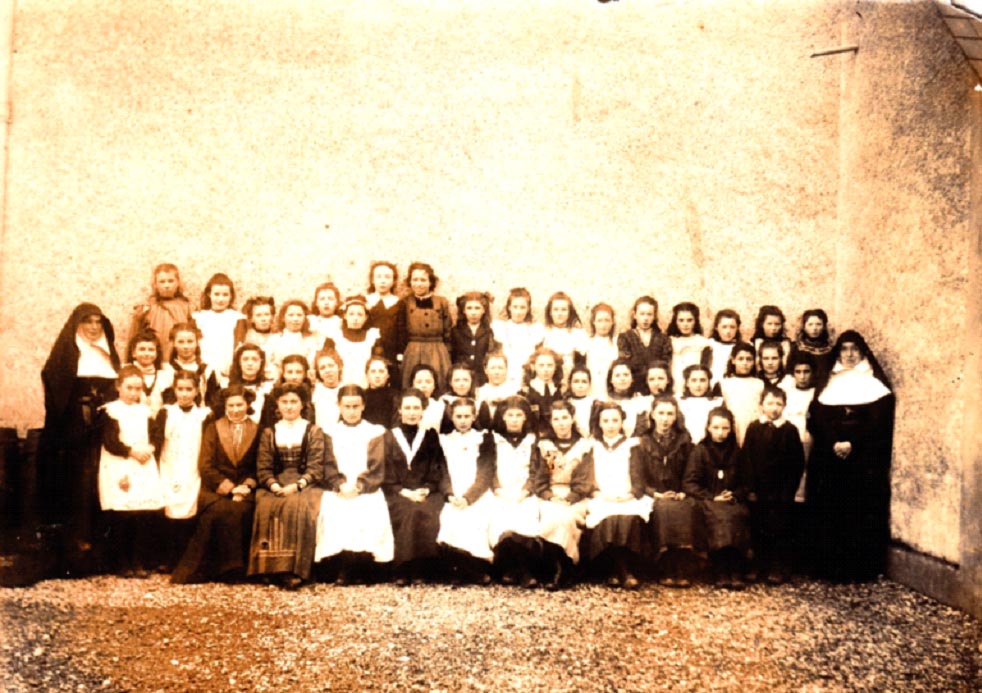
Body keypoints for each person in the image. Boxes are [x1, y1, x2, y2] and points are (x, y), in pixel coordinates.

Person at [806, 330, 894, 582]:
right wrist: (834, 442)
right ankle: (829, 569)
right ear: (838, 353)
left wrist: (852, 443)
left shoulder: (876, 386)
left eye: (854, 349)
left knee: (858, 511)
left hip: (861, 460)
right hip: (830, 457)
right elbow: (816, 420)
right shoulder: (828, 382)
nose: (849, 354)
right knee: (830, 510)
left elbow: (879, 424)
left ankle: (859, 569)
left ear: (863, 352)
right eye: (844, 349)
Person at [37, 302, 120, 562]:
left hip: (103, 426)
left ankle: (104, 547)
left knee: (103, 479)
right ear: (77, 324)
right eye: (87, 322)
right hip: (74, 430)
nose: (94, 327)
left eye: (98, 322)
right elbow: (55, 391)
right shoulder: (65, 355)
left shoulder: (108, 354)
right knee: (78, 483)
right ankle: (76, 545)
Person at [171, 386, 259, 584]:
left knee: (240, 510)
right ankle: (215, 570)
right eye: (231, 406)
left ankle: (238, 570)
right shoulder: (213, 428)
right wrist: (229, 488)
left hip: (247, 489)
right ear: (225, 406)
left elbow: (259, 465)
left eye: (240, 405)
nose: (235, 410)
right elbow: (206, 465)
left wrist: (246, 486)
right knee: (219, 510)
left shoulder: (259, 430)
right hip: (216, 488)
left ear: (247, 405)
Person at [248, 383, 329, 589]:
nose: (289, 406)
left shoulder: (313, 431)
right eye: (284, 402)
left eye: (294, 401)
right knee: (266, 505)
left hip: (305, 483)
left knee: (298, 505)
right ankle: (269, 568)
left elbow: (316, 468)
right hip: (276, 482)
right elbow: (263, 467)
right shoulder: (269, 432)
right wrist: (274, 485)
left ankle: (296, 569)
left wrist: (297, 485)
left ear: (303, 405)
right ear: (277, 404)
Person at [314, 385, 394, 584]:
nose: (351, 411)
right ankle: (342, 565)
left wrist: (359, 486)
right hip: (339, 488)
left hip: (366, 488)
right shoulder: (329, 432)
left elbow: (377, 466)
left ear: (363, 406)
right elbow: (327, 464)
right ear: (339, 406)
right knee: (334, 508)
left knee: (368, 508)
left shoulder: (374, 432)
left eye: (355, 406)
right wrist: (339, 484)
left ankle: (364, 566)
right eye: (347, 406)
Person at [572, 401, 652, 589]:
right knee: (606, 517)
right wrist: (596, 492)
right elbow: (584, 477)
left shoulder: (632, 445)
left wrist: (631, 494)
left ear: (622, 422)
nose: (610, 425)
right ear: (599, 423)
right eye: (606, 420)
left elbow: (639, 476)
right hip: (602, 496)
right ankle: (615, 569)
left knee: (627, 516)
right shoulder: (592, 447)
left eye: (615, 420)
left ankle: (623, 569)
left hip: (627, 496)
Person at [98, 365, 164, 577]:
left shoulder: (145, 412)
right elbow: (110, 441)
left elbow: (157, 435)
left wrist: (150, 448)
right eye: (129, 388)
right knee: (122, 514)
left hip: (143, 462)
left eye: (138, 389)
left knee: (141, 514)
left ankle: (138, 561)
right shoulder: (110, 411)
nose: (134, 393)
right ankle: (121, 562)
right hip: (120, 462)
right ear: (118, 386)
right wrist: (131, 451)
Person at [381, 388, 449, 585]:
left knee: (427, 510)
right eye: (407, 408)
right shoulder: (388, 437)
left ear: (423, 410)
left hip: (425, 491)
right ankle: (403, 568)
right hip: (397, 491)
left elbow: (437, 466)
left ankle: (422, 568)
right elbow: (385, 471)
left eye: (416, 408)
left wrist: (426, 488)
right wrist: (404, 492)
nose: (412, 412)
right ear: (400, 410)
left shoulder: (430, 436)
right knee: (408, 510)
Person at [683, 407, 751, 589]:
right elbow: (689, 483)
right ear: (708, 428)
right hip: (709, 501)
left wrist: (734, 494)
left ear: (731, 429)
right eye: (716, 428)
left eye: (725, 428)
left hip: (732, 501)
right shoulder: (700, 451)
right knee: (719, 516)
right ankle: (720, 568)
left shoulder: (737, 451)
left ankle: (735, 569)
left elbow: (747, 482)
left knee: (736, 514)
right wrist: (712, 496)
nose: (720, 433)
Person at [742, 386, 804, 584]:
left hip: (780, 490)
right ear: (761, 405)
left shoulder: (789, 430)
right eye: (769, 403)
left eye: (778, 404)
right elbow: (747, 459)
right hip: (758, 489)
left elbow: (797, 463)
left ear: (784, 406)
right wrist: (750, 488)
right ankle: (758, 564)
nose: (774, 408)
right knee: (758, 526)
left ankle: (777, 567)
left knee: (779, 526)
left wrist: (788, 490)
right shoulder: (754, 428)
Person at [152, 370, 211, 571]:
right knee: (169, 507)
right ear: (174, 390)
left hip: (193, 466)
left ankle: (186, 559)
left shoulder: (204, 415)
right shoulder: (166, 413)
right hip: (169, 464)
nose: (184, 394)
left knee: (190, 507)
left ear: (196, 391)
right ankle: (168, 558)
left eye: (189, 389)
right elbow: (158, 441)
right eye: (180, 389)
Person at [637, 394, 699, 587]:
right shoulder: (643, 442)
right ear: (652, 415)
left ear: (676, 416)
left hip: (679, 493)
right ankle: (664, 567)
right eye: (661, 413)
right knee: (662, 509)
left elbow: (691, 470)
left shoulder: (684, 441)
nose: (665, 419)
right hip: (653, 494)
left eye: (670, 414)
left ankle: (681, 567)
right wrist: (654, 493)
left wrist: (684, 491)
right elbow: (637, 475)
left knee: (683, 508)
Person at [436, 397, 496, 584]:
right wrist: (449, 494)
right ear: (451, 417)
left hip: (476, 493)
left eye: (467, 416)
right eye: (458, 416)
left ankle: (475, 567)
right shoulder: (444, 440)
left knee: (476, 518)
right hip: (453, 492)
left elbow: (486, 473)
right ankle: (462, 568)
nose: (462, 421)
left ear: (474, 417)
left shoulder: (483, 438)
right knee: (449, 518)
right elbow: (442, 472)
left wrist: (469, 498)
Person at [534, 400, 590, 590]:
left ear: (572, 419)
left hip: (576, 495)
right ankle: (557, 566)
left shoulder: (583, 445)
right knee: (550, 515)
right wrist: (550, 496)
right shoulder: (546, 446)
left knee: (567, 516)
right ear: (551, 422)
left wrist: (571, 497)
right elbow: (540, 479)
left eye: (565, 418)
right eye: (556, 419)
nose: (561, 423)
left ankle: (566, 566)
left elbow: (585, 479)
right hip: (550, 494)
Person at [486, 395, 542, 588]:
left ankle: (516, 570)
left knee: (525, 518)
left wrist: (526, 491)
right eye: (510, 415)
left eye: (519, 415)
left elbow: (537, 471)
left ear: (526, 418)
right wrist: (498, 489)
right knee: (501, 520)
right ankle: (517, 570)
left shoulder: (533, 441)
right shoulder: (493, 440)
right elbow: (489, 469)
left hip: (524, 494)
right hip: (499, 493)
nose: (514, 420)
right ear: (502, 417)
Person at [400, 262, 452, 391]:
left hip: (437, 350)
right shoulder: (405, 302)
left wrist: (446, 352)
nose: (419, 284)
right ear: (410, 282)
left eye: (423, 280)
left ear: (431, 282)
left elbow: (448, 329)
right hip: (413, 351)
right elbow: (401, 329)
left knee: (439, 383)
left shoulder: (442, 302)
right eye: (415, 280)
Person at [129, 263, 192, 364]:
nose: (166, 285)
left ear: (178, 283)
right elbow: (134, 336)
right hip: (152, 358)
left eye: (171, 281)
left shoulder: (186, 306)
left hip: (179, 358)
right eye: (162, 282)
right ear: (155, 284)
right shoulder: (147, 306)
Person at [192, 273, 246, 386]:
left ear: (231, 296)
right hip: (203, 369)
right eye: (216, 294)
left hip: (227, 369)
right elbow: (194, 344)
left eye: (225, 295)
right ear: (209, 294)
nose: (220, 299)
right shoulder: (198, 317)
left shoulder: (237, 318)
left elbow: (238, 346)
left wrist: (232, 368)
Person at [617, 296, 672, 395]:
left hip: (657, 386)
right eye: (642, 314)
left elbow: (665, 364)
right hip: (634, 388)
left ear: (654, 316)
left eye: (649, 314)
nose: (646, 318)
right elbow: (625, 364)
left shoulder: (663, 338)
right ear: (635, 315)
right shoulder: (625, 338)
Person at [491, 287, 544, 390]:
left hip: (527, 372)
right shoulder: (500, 327)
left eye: (522, 307)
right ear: (509, 307)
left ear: (528, 309)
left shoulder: (535, 329)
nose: (518, 312)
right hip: (506, 371)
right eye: (515, 307)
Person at [540, 291, 587, 392]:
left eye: (564, 310)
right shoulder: (543, 332)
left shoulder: (578, 334)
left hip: (571, 378)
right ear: (550, 312)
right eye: (556, 310)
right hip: (549, 379)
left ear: (570, 312)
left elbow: (581, 363)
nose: (559, 313)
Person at [365, 261, 407, 372]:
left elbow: (401, 331)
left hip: (390, 352)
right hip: (367, 350)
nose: (382, 281)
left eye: (387, 277)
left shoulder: (399, 303)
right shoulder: (365, 301)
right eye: (378, 277)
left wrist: (400, 353)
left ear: (393, 281)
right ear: (372, 280)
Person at [719, 343, 764, 446]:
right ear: (733, 360)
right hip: (732, 427)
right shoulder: (724, 384)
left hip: (754, 428)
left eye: (749, 359)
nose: (745, 363)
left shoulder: (760, 384)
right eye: (741, 359)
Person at [333, 296, 381, 388]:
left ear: (366, 317)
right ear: (345, 315)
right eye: (351, 314)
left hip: (365, 382)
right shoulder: (336, 336)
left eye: (360, 314)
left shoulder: (372, 337)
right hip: (341, 382)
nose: (355, 318)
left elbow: (377, 361)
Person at [450, 292, 496, 386]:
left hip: (482, 377)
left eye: (477, 308)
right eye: (469, 308)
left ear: (484, 310)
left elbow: (491, 353)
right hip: (462, 377)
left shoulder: (488, 331)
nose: (473, 312)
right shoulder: (456, 331)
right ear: (463, 310)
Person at [263, 300, 319, 375]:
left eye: (299, 315)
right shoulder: (274, 340)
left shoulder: (310, 341)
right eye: (291, 315)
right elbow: (268, 362)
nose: (295, 319)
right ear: (283, 318)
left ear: (305, 318)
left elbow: (311, 365)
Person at [124, 329, 172, 416]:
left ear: (157, 353)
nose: (146, 353)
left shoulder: (165, 377)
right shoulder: (125, 373)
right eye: (142, 349)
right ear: (133, 353)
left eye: (151, 350)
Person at [667, 302, 711, 395]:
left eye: (689, 320)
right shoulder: (670, 341)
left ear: (695, 321)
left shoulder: (703, 343)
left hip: (695, 385)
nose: (685, 324)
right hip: (674, 383)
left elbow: (705, 368)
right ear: (675, 321)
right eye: (681, 320)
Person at [520, 346, 563, 436]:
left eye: (550, 365)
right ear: (533, 367)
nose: (545, 369)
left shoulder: (560, 391)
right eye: (541, 365)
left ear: (555, 367)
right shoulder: (526, 392)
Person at [677, 364, 723, 445]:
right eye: (694, 380)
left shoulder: (717, 403)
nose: (698, 385)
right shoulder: (678, 401)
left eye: (702, 380)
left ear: (708, 382)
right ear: (687, 383)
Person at [227, 343, 272, 423]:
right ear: (239, 362)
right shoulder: (226, 386)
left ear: (261, 362)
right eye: (245, 359)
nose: (250, 363)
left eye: (254, 359)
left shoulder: (268, 388)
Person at [582, 302, 619, 400]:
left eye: (607, 320)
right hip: (591, 389)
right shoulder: (586, 343)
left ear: (612, 322)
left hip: (611, 390)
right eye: (599, 320)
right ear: (593, 322)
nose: (603, 325)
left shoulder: (617, 343)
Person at [475, 351, 517, 430]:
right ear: (486, 370)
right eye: (493, 368)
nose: (496, 372)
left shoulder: (514, 391)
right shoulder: (480, 392)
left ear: (506, 370)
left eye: (500, 368)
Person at [792, 308, 834, 385]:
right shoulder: (796, 348)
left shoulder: (831, 350)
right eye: (810, 324)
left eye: (818, 324)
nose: (814, 328)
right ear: (804, 327)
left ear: (824, 326)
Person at [311, 347, 344, 434]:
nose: (327, 370)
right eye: (322, 368)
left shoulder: (346, 390)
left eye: (331, 366)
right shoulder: (315, 392)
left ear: (339, 366)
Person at [706, 309, 742, 387]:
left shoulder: (740, 347)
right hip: (711, 384)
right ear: (716, 327)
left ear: (737, 328)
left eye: (732, 327)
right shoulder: (710, 344)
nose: (728, 331)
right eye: (724, 327)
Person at [752, 305, 792, 372]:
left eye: (777, 324)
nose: (773, 328)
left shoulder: (786, 344)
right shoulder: (753, 344)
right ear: (762, 324)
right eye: (769, 324)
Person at [363, 356, 398, 428]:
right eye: (373, 371)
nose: (377, 376)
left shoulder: (396, 397)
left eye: (381, 371)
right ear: (367, 375)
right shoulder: (361, 396)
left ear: (388, 375)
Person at [564, 365, 596, 439]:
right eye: (576, 381)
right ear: (570, 384)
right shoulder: (566, 403)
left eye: (584, 382)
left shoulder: (595, 404)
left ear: (589, 384)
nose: (580, 385)